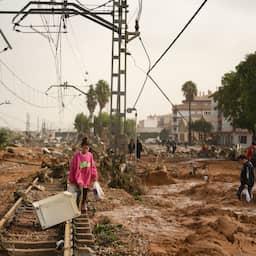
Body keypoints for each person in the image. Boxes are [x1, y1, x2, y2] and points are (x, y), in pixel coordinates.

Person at [69, 137, 98, 211]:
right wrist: (71, 179)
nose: (85, 150)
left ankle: (83, 205)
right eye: (84, 148)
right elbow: (72, 167)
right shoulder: (77, 156)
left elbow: (93, 166)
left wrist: (94, 176)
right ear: (81, 148)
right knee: (79, 192)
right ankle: (76, 207)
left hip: (87, 178)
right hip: (79, 177)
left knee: (85, 192)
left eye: (87, 148)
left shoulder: (90, 155)